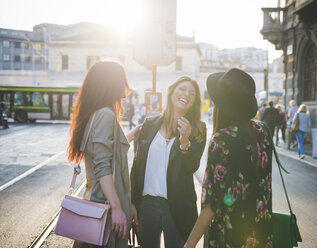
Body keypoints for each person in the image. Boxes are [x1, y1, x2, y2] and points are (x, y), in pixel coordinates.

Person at [185, 68, 273, 248]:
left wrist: (189, 243)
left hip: (231, 236)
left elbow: (213, 203)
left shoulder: (221, 140)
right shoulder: (263, 132)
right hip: (261, 233)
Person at [67, 61, 141, 248]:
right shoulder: (105, 115)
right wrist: (117, 208)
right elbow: (103, 167)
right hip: (105, 208)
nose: (126, 85)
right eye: (122, 80)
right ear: (111, 83)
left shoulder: (95, 114)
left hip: (99, 202)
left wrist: (132, 135)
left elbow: (109, 153)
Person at [130, 76, 206, 248]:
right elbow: (137, 166)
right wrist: (133, 201)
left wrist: (185, 141)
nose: (186, 94)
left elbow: (192, 166)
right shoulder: (150, 123)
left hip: (177, 207)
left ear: (194, 102)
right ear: (171, 93)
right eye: (182, 89)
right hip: (147, 206)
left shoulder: (198, 129)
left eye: (192, 93)